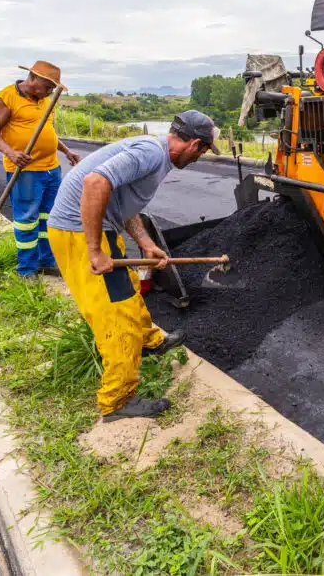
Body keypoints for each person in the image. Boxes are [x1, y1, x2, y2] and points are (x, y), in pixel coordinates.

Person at [47, 111, 221, 421]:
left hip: (99, 228)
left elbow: (123, 204)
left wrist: (146, 243)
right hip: (80, 233)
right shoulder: (150, 153)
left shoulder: (156, 155)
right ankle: (117, 399)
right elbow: (94, 183)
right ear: (195, 144)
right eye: (203, 151)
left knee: (128, 288)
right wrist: (94, 250)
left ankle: (149, 342)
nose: (200, 157)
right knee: (117, 314)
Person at [0, 61, 81, 278]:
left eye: (53, 88)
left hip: (52, 169)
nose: (51, 91)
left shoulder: (46, 101)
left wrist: (66, 151)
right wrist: (11, 152)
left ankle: (46, 261)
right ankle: (26, 269)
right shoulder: (7, 97)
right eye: (48, 86)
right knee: (27, 219)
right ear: (34, 78)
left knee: (50, 217)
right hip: (26, 171)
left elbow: (47, 132)